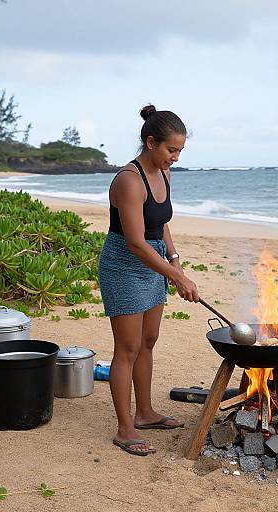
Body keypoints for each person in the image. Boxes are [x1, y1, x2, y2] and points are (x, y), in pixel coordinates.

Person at [98, 105, 199, 456]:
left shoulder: (165, 174)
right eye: (171, 150)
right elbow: (135, 242)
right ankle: (125, 429)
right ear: (150, 141)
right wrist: (176, 276)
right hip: (126, 264)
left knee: (148, 340)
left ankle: (144, 412)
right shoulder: (129, 179)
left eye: (180, 151)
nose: (175, 157)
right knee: (127, 348)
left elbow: (161, 223)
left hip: (154, 260)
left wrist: (174, 259)